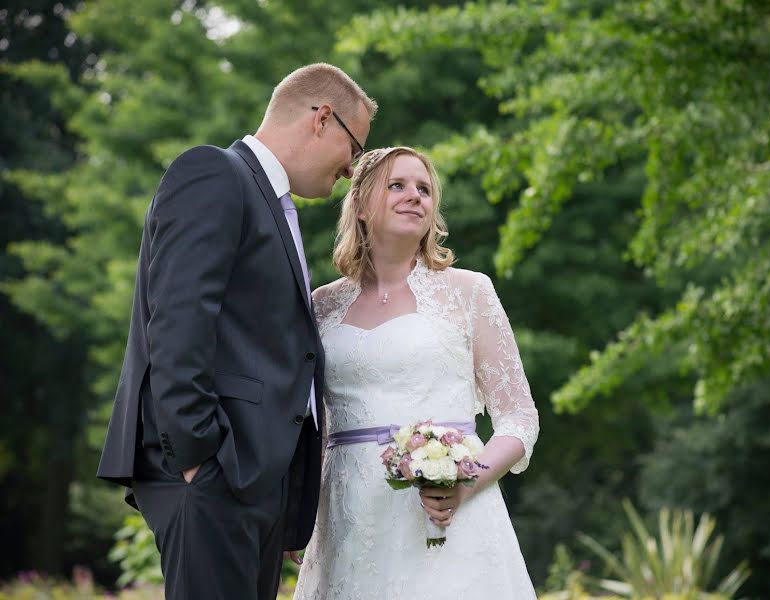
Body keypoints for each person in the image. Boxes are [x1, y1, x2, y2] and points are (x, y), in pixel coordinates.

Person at [96, 63, 377, 600]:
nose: (351, 170)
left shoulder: (274, 205)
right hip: (213, 474)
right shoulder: (214, 174)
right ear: (322, 118)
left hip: (252, 480)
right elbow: (178, 323)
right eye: (355, 147)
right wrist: (199, 460)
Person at [293, 147, 539, 599]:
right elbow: (308, 421)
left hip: (449, 519)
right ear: (363, 206)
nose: (415, 197)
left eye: (424, 189)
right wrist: (296, 508)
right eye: (397, 186)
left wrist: (466, 479)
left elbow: (520, 418)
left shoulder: (469, 292)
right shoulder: (321, 304)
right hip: (347, 519)